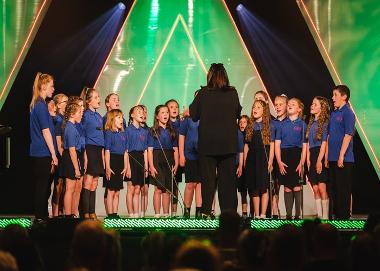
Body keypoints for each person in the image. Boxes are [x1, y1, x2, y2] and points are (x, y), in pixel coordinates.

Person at [189, 63, 242, 218]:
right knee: (228, 182)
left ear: (210, 76)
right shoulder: (232, 93)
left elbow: (194, 114)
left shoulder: (203, 93)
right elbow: (237, 112)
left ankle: (206, 211)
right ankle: (228, 214)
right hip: (228, 144)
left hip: (208, 144)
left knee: (208, 180)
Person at [29, 72, 58, 223]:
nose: (53, 89)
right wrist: (53, 154)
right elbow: (45, 131)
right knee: (42, 186)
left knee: (44, 185)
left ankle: (42, 216)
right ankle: (40, 217)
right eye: (52, 86)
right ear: (44, 86)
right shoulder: (40, 105)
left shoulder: (40, 104)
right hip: (42, 152)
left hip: (41, 151)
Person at [275, 98, 307, 220]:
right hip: (284, 156)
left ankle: (297, 216)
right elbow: (277, 144)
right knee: (287, 186)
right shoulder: (282, 124)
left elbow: (304, 145)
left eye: (293, 104)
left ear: (299, 109)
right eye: (288, 104)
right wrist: (279, 161)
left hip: (297, 156)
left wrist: (302, 162)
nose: (289, 106)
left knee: (297, 186)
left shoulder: (302, 124)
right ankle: (288, 215)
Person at [327, 85, 355, 220]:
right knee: (334, 190)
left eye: (335, 95)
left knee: (343, 190)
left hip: (343, 159)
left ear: (344, 97)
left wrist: (341, 156)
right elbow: (330, 136)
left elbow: (348, 135)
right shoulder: (334, 113)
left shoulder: (348, 113)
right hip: (332, 158)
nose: (333, 98)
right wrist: (327, 156)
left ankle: (343, 219)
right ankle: (336, 217)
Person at [244, 100, 275, 219]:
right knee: (254, 188)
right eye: (253, 107)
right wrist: (246, 162)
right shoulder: (250, 125)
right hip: (252, 160)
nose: (255, 109)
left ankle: (263, 214)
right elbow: (247, 145)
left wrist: (271, 161)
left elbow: (272, 145)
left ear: (264, 110)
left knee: (264, 187)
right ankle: (256, 215)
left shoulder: (269, 126)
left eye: (258, 107)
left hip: (264, 160)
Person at [147, 105, 178, 218]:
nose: (165, 114)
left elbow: (175, 149)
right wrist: (151, 165)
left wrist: (177, 163)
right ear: (157, 116)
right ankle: (157, 214)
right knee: (158, 188)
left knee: (167, 189)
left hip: (169, 158)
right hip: (157, 158)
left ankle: (165, 214)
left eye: (167, 112)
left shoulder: (172, 131)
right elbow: (150, 150)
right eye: (162, 112)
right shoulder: (152, 130)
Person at [80, 87, 104, 219]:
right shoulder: (85, 115)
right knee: (88, 181)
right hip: (89, 149)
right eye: (95, 97)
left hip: (98, 149)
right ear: (88, 101)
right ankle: (85, 213)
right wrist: (85, 153)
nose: (98, 99)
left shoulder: (99, 116)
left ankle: (92, 211)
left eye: (98, 96)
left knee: (95, 182)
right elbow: (82, 134)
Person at [306, 96, 330, 219]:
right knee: (315, 188)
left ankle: (325, 218)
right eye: (312, 103)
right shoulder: (311, 123)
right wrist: (309, 159)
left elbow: (324, 143)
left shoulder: (325, 123)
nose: (312, 106)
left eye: (315, 104)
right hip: (312, 154)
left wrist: (320, 160)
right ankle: (320, 218)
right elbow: (309, 143)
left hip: (319, 154)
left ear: (322, 107)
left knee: (321, 188)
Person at [179, 97, 202, 218]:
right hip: (190, 155)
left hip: (203, 156)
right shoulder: (187, 119)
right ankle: (187, 211)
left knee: (200, 184)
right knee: (190, 184)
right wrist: (181, 155)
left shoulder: (207, 117)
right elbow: (181, 136)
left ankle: (199, 211)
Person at [103, 93, 124, 216]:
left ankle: (115, 214)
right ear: (112, 120)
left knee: (117, 191)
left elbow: (125, 152)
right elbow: (107, 151)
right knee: (111, 190)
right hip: (112, 162)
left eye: (121, 117)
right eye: (118, 117)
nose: (121, 120)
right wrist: (107, 167)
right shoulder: (109, 133)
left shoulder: (122, 134)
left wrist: (126, 166)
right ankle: (110, 214)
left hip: (120, 162)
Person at [61, 102, 84, 217]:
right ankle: (68, 215)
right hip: (70, 159)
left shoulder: (73, 127)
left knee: (73, 187)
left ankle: (72, 214)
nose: (81, 115)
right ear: (73, 114)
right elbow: (71, 150)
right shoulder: (70, 128)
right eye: (79, 112)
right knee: (70, 188)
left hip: (74, 157)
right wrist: (76, 168)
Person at [125, 105, 149, 218]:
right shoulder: (128, 130)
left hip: (140, 158)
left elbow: (145, 151)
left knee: (138, 188)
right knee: (131, 188)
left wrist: (146, 167)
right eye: (138, 111)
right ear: (132, 115)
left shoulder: (144, 131)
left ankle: (137, 214)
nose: (141, 113)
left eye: (142, 111)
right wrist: (128, 167)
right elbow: (126, 150)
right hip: (131, 158)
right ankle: (131, 214)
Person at [271, 94, 288, 218]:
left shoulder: (290, 122)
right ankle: (274, 210)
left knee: (288, 185)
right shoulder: (273, 123)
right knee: (275, 184)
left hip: (287, 157)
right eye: (276, 105)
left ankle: (291, 213)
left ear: (287, 105)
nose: (277, 107)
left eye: (280, 104)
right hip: (275, 159)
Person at [52, 93, 68, 217]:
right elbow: (58, 141)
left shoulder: (66, 119)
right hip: (59, 155)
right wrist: (61, 156)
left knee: (64, 185)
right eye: (64, 101)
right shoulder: (57, 119)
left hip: (65, 154)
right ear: (58, 105)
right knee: (58, 185)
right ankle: (55, 213)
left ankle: (62, 211)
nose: (67, 103)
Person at [165, 99, 182, 218]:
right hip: (169, 156)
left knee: (176, 184)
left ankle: (175, 212)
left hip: (181, 156)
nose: (175, 109)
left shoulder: (182, 123)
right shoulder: (165, 124)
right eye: (171, 107)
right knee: (169, 185)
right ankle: (169, 213)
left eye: (176, 107)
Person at [237, 115, 250, 218]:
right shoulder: (236, 134)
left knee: (246, 190)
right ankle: (241, 213)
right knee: (241, 190)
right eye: (240, 122)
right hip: (237, 164)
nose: (242, 124)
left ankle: (247, 213)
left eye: (244, 122)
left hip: (247, 165)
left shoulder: (249, 135)